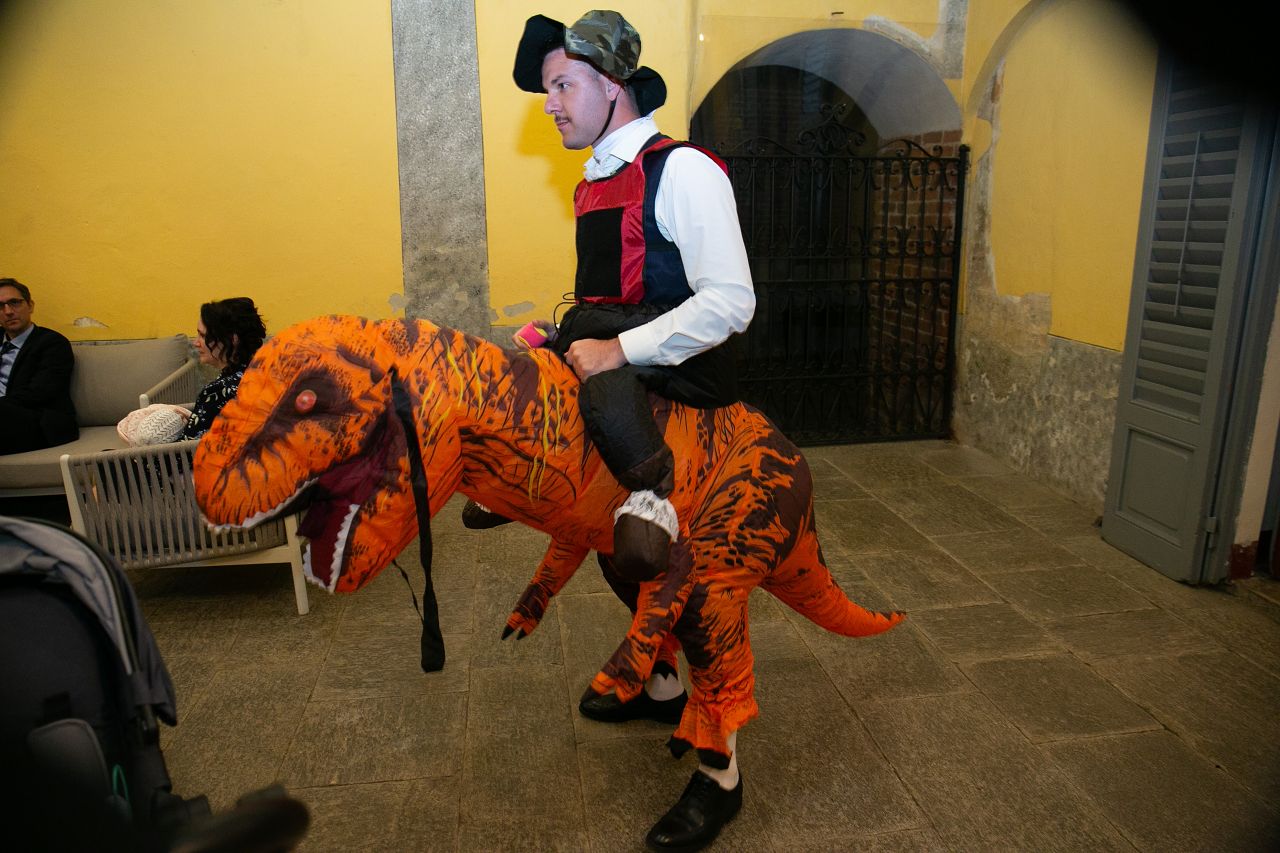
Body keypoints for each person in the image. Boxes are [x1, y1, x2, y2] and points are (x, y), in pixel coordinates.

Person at [511, 11, 754, 850]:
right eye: (549, 89)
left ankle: (721, 774)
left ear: (611, 85)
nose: (550, 103)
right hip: (625, 374)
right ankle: (658, 687)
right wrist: (567, 339)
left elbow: (731, 302)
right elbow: (612, 291)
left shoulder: (682, 171)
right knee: (602, 538)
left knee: (689, 584)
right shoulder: (595, 178)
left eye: (561, 85)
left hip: (683, 388)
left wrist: (616, 349)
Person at [0, 278, 78, 455]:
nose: (8, 311)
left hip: (39, 420)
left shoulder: (53, 343)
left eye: (15, 303)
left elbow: (39, 393)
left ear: (30, 306)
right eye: (0, 306)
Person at [182, 298, 266, 440]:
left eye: (203, 336)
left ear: (232, 339)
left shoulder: (219, 392)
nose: (196, 343)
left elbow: (187, 446)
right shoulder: (260, 374)